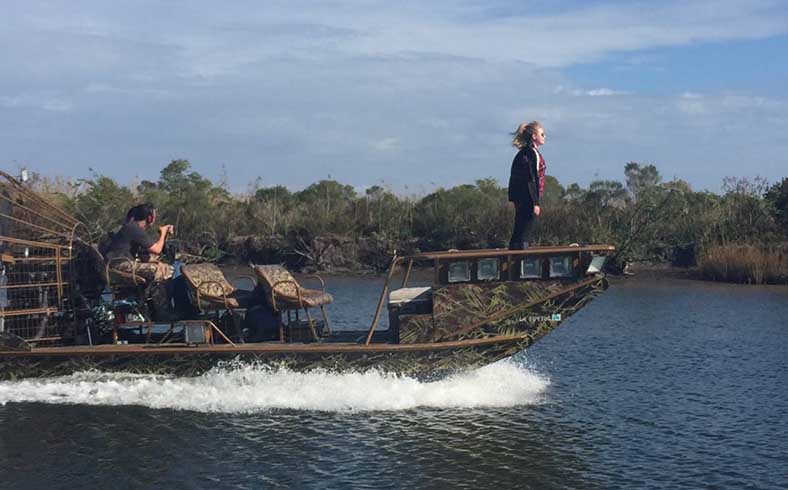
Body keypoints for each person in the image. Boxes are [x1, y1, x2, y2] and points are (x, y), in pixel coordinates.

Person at [103, 203, 175, 316]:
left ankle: (147, 305)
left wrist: (159, 260)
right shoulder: (133, 228)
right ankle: (162, 312)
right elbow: (156, 250)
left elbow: (144, 255)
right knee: (159, 271)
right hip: (119, 265)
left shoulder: (132, 228)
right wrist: (163, 233)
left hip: (119, 264)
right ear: (149, 218)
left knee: (166, 268)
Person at [507, 121, 547, 250]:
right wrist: (535, 203)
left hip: (520, 198)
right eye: (542, 134)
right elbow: (531, 179)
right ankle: (519, 261)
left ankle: (513, 260)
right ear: (534, 136)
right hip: (527, 198)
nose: (544, 136)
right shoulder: (531, 154)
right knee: (525, 231)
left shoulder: (523, 153)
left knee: (519, 230)